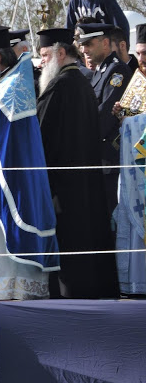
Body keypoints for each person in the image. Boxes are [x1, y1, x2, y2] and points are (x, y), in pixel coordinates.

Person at [0, 25, 59, 300]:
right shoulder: (3, 81)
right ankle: (2, 290)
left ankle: (11, 290)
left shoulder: (15, 83)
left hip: (12, 177)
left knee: (2, 231)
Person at [36, 27, 119, 298]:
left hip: (65, 187)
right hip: (85, 181)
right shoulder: (82, 83)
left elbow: (42, 138)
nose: (41, 63)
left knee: (71, 245)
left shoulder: (60, 86)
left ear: (61, 53)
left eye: (45, 55)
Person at [77, 22, 132, 214]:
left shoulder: (117, 71)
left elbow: (105, 114)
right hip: (99, 158)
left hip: (110, 160)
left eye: (89, 44)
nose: (84, 50)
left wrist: (78, 136)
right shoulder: (100, 71)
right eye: (82, 45)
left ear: (105, 43)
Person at [114, 24, 146, 295]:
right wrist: (121, 118)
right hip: (136, 174)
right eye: (139, 53)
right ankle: (135, 284)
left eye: (145, 52)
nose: (142, 58)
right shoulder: (137, 80)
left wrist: (131, 122)